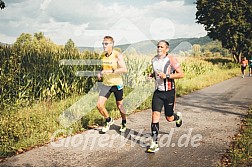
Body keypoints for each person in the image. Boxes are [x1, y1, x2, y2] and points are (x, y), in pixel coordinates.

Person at [147, 40, 184, 153]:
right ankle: (154, 143)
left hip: (169, 92)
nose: (159, 48)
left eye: (161, 47)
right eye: (158, 46)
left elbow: (181, 74)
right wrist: (151, 75)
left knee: (169, 118)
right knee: (155, 116)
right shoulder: (154, 59)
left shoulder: (171, 59)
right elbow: (156, 73)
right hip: (158, 92)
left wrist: (166, 75)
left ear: (166, 49)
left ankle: (177, 117)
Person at [97, 36, 127, 133]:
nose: (104, 46)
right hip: (106, 84)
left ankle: (124, 122)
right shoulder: (103, 55)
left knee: (120, 106)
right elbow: (103, 67)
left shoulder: (117, 55)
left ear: (112, 44)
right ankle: (108, 120)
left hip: (117, 84)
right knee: (99, 105)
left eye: (106, 44)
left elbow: (124, 69)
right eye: (103, 44)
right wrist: (100, 73)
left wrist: (110, 71)